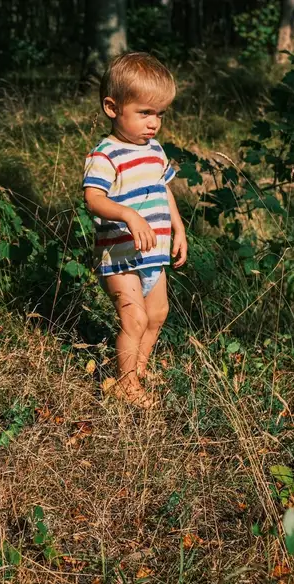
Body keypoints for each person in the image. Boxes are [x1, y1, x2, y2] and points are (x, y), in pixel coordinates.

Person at [82, 51, 188, 408]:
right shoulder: (106, 154)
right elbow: (93, 199)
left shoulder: (155, 151)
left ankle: (137, 370)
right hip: (121, 254)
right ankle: (126, 384)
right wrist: (128, 215)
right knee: (135, 317)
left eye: (159, 114)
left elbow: (163, 190)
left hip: (153, 252)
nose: (154, 122)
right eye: (145, 112)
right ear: (113, 108)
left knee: (158, 314)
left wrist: (179, 228)